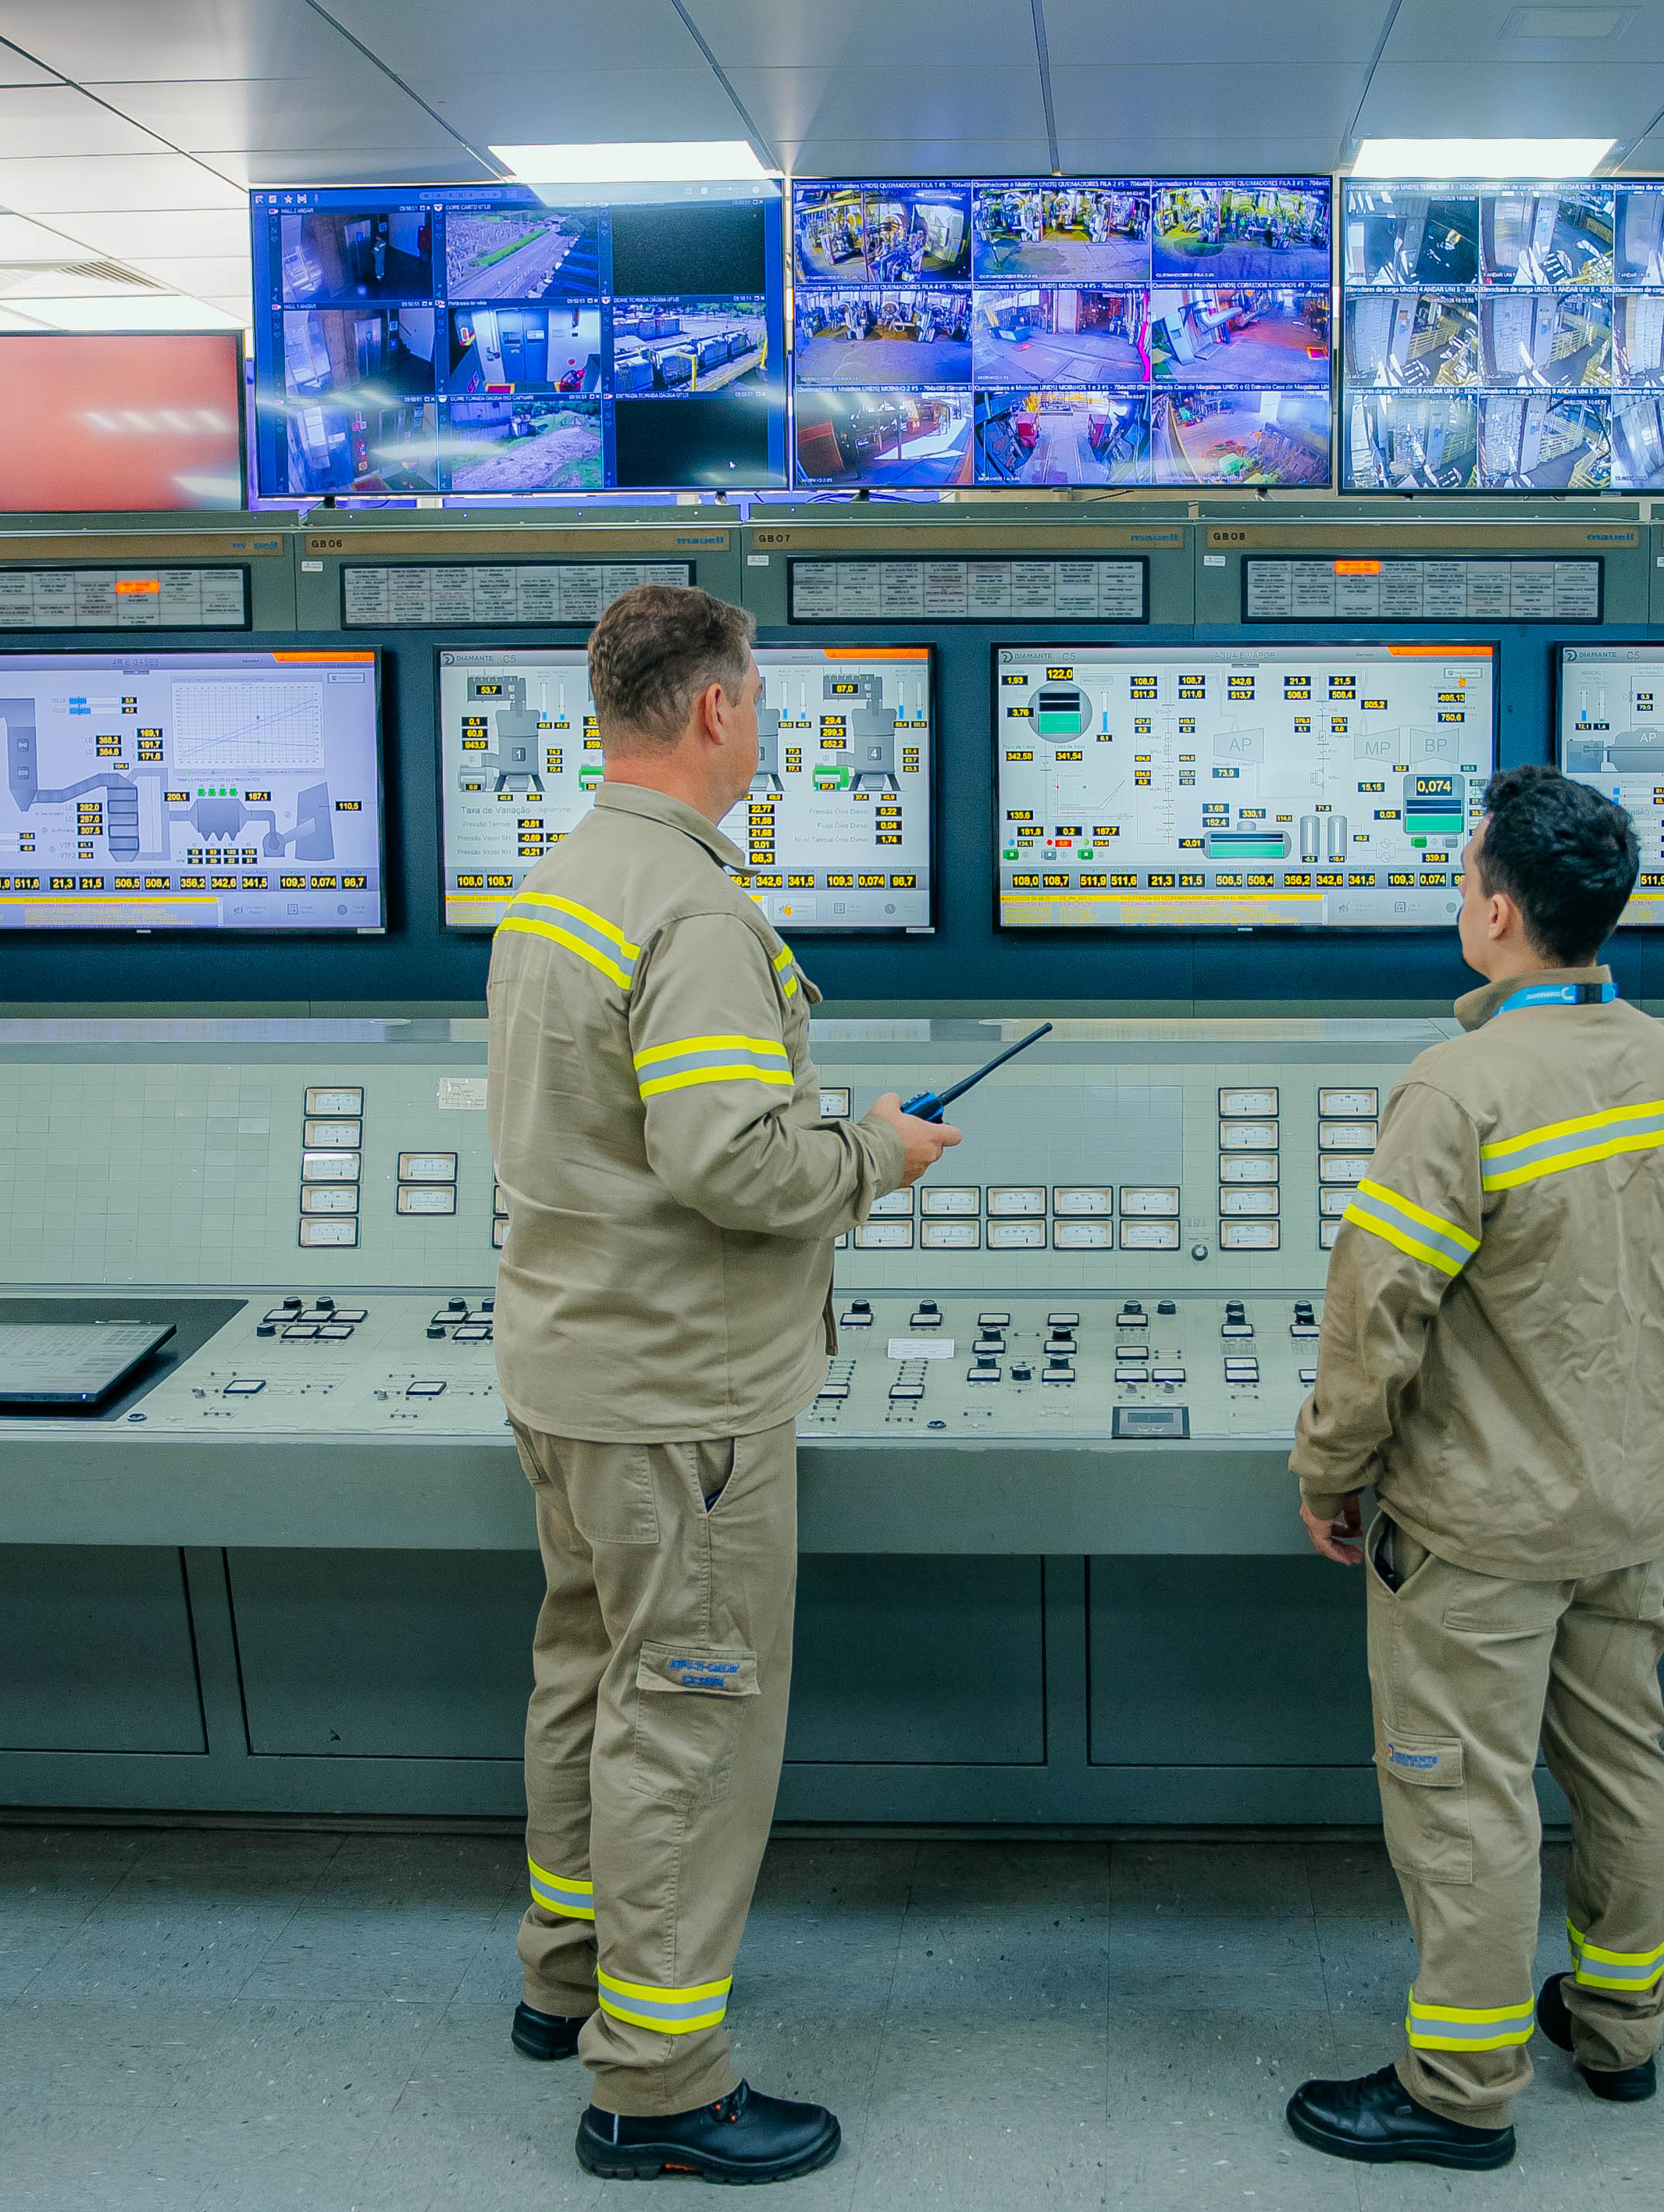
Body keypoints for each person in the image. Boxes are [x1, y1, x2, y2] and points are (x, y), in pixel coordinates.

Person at [487, 583, 960, 2185]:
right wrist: (874, 1155)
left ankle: (566, 1982)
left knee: (587, 1678)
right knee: (688, 1724)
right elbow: (729, 1162)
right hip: (681, 1400)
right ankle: (658, 2081)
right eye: (758, 697)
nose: (761, 722)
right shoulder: (691, 913)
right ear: (714, 710)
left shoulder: (561, 879)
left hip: (571, 1375)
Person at [1281, 765, 1664, 2172]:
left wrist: (1329, 1468)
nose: (1461, 894)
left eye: (1466, 875)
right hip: (1631, 1498)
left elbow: (1377, 1314)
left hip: (1486, 1519)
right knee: (1623, 1763)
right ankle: (1619, 2025)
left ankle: (1459, 2091)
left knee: (1465, 1795)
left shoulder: (1457, 1087)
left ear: (1501, 914)